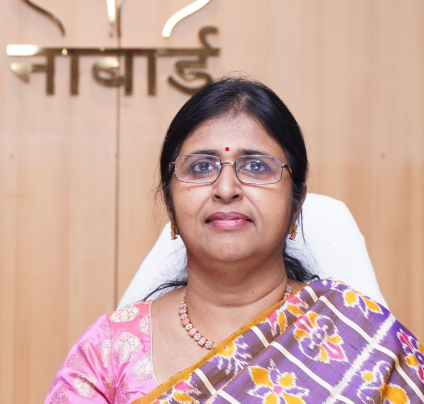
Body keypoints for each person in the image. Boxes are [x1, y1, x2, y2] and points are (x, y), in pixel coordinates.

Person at [45, 77, 424, 404]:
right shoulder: (108, 352)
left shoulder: (364, 340)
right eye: (201, 167)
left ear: (296, 205)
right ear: (171, 206)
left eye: (256, 166)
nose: (226, 188)